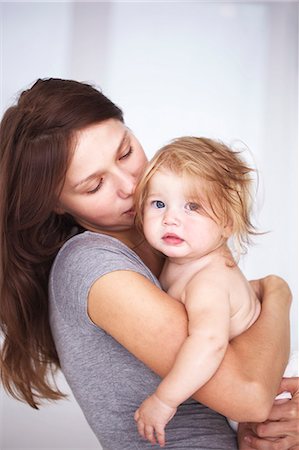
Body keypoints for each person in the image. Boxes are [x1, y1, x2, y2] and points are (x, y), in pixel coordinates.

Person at [0, 78, 297, 450]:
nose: (130, 184)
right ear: (57, 204)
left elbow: (246, 362)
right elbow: (249, 394)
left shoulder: (170, 243)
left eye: (125, 152)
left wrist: (277, 421)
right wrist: (277, 291)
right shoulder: (91, 264)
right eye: (95, 185)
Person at [133, 137, 298, 447]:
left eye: (192, 206)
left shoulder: (207, 280)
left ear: (227, 222)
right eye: (158, 203)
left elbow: (209, 343)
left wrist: (164, 400)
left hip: (277, 385)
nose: (170, 218)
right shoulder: (186, 260)